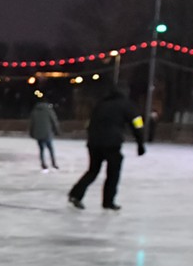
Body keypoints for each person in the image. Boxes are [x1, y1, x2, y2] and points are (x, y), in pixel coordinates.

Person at [68, 83, 145, 211]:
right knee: (113, 173)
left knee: (93, 170)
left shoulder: (101, 104)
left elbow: (91, 122)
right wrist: (140, 143)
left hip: (94, 143)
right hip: (112, 144)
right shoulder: (126, 105)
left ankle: (75, 194)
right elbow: (137, 123)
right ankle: (108, 202)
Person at [29, 99, 60, 171]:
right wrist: (57, 131)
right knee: (51, 149)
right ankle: (53, 163)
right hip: (47, 133)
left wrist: (31, 133)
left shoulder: (34, 111)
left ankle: (43, 164)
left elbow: (32, 124)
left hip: (38, 134)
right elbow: (54, 121)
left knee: (41, 149)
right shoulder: (49, 110)